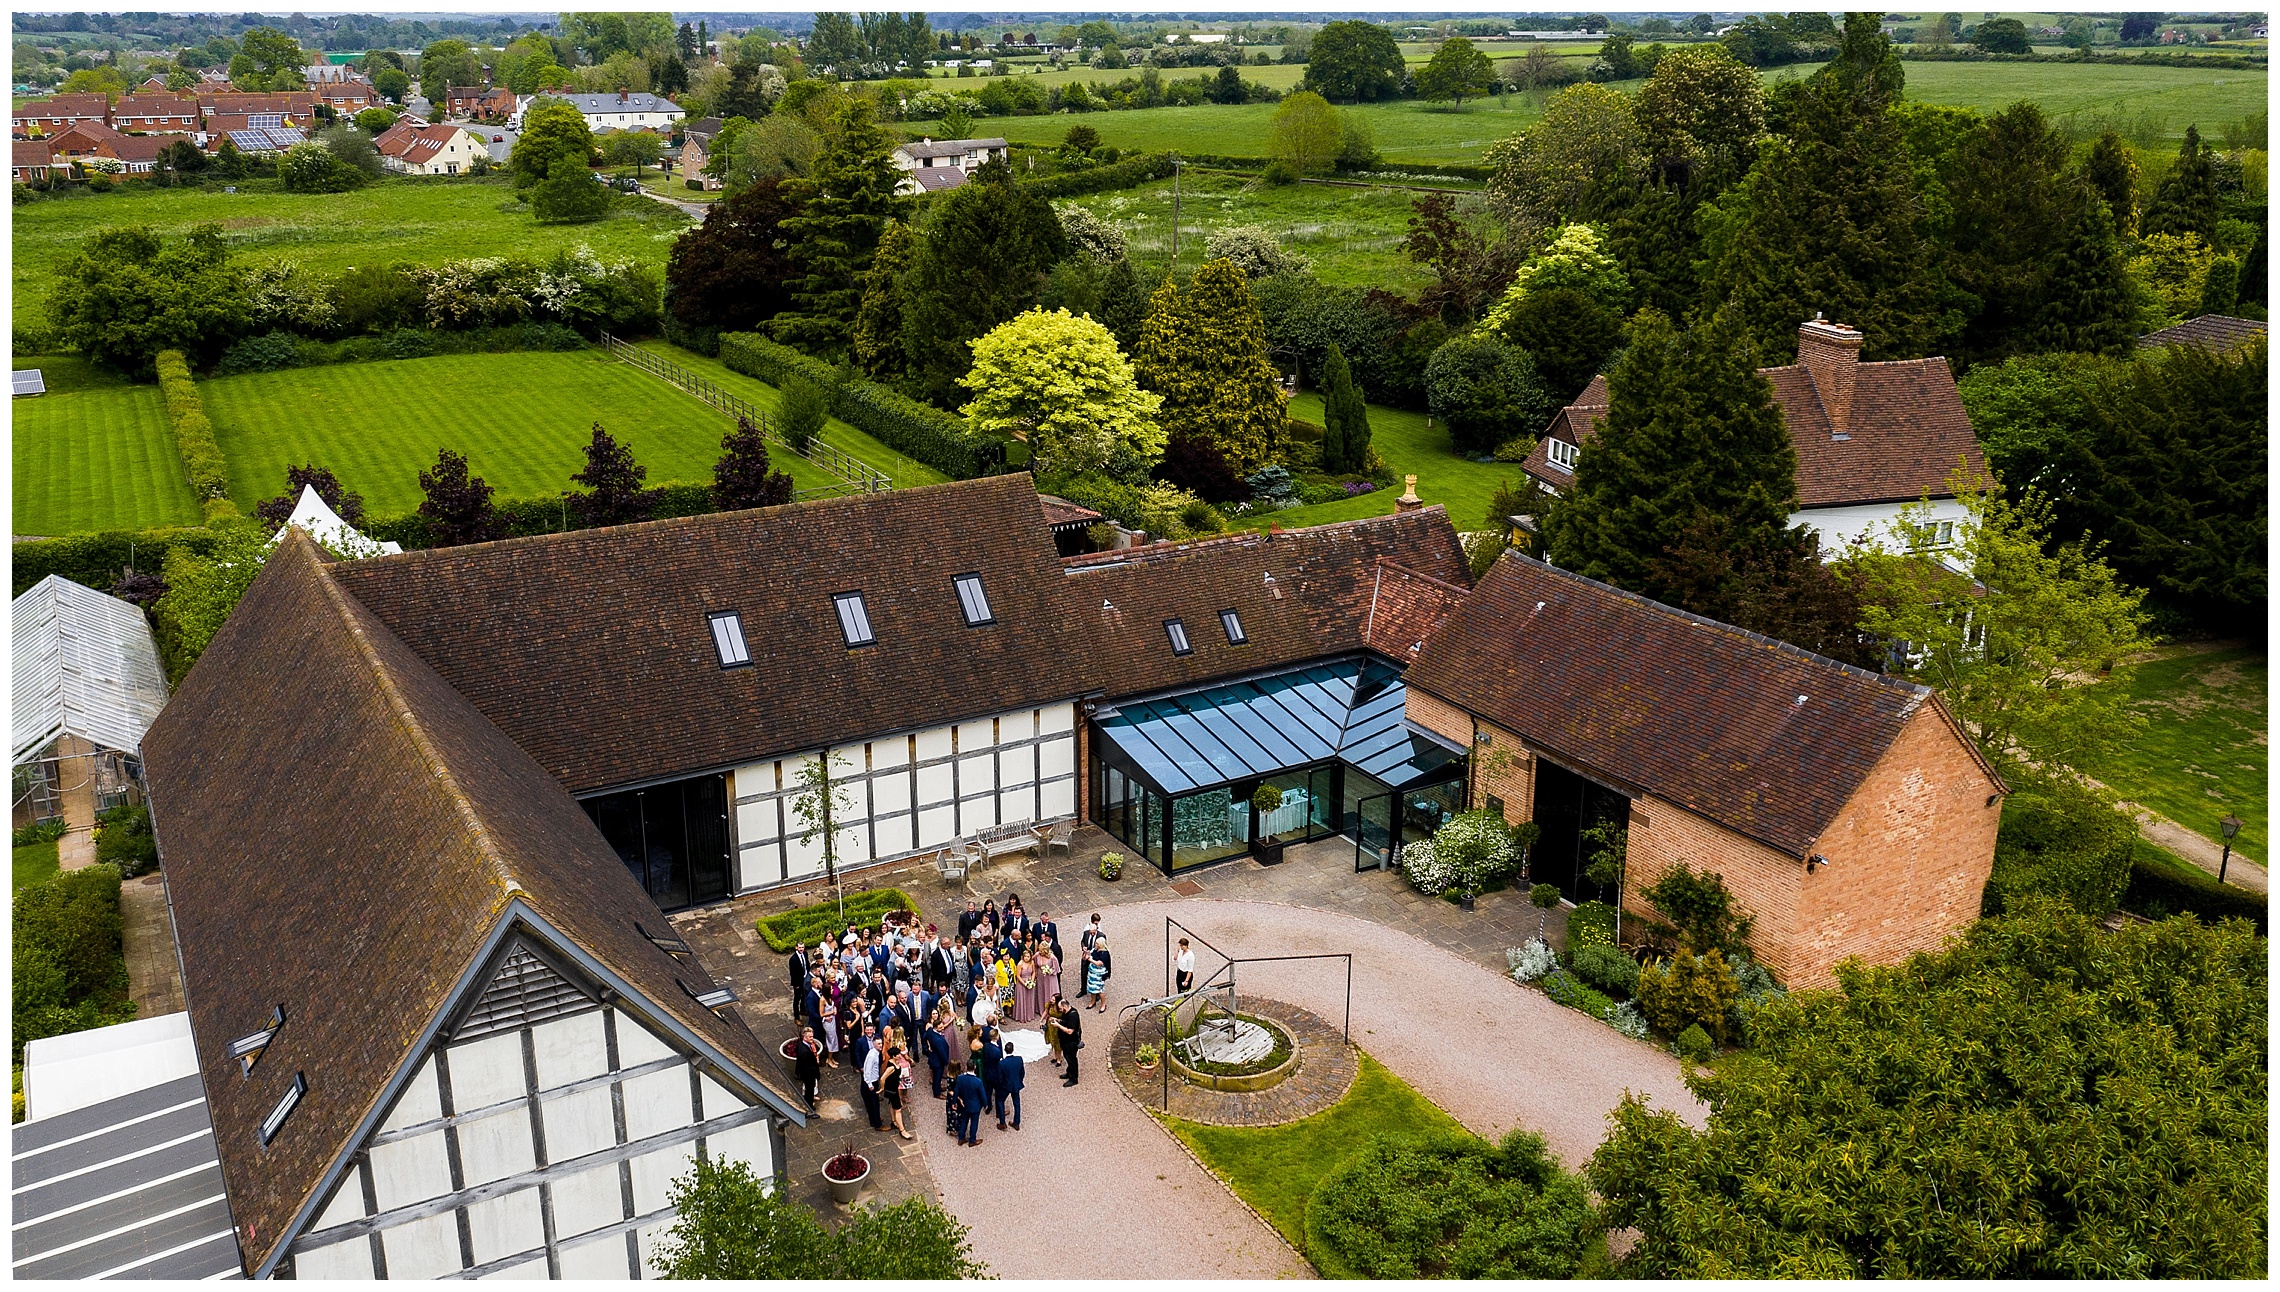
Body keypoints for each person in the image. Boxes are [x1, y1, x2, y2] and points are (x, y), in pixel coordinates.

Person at [880, 1044, 914, 1141]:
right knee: (898, 1109)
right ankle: (902, 1130)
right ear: (894, 1056)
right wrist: (882, 1088)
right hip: (892, 1090)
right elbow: (882, 1078)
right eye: (898, 1054)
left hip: (894, 1087)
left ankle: (894, 1121)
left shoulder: (897, 1063)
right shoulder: (891, 1067)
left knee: (892, 1105)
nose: (900, 1055)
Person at [952, 1064, 988, 1146]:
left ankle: (961, 1138)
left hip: (964, 1104)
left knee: (964, 1120)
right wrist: (985, 1104)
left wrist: (954, 1102)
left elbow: (956, 1091)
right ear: (975, 1067)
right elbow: (982, 1095)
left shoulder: (960, 1078)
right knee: (974, 1122)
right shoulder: (978, 1081)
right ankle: (972, 1140)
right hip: (975, 1106)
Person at [857, 1026, 885, 1131]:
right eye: (878, 1044)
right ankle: (877, 1124)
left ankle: (874, 1120)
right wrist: (870, 1084)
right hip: (871, 1082)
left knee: (872, 1103)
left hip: (873, 1080)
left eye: (881, 1043)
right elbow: (867, 1071)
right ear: (873, 1044)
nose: (881, 1045)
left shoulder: (875, 1053)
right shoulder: (872, 1055)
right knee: (874, 1103)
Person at [1053, 997, 1083, 1086]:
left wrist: (1058, 1025)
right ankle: (1069, 1073)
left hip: (1071, 1042)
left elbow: (1070, 1031)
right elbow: (1065, 1022)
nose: (1060, 1010)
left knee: (1072, 1059)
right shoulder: (1066, 1013)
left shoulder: (1073, 1015)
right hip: (1064, 1041)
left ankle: (1074, 1078)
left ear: (1065, 1007)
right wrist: (1058, 1020)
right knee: (1067, 1057)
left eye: (1060, 1008)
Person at [792, 1025, 822, 1110]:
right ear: (804, 1037)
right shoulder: (805, 1052)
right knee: (809, 1089)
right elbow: (808, 1066)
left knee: (810, 1089)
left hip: (805, 1072)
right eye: (810, 1037)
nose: (812, 1038)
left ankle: (810, 1098)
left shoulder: (801, 1045)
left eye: (812, 1036)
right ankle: (809, 1107)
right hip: (808, 1074)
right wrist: (815, 1072)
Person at [923, 1007, 951, 1097]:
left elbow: (924, 1036)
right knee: (937, 1076)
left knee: (937, 1076)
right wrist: (946, 1061)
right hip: (938, 1061)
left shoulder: (930, 1030)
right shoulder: (938, 1040)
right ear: (936, 1027)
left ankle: (938, 1087)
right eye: (941, 1027)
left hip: (933, 1057)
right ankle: (937, 1093)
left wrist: (929, 1046)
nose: (943, 1028)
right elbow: (942, 1052)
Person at [996, 1048, 1026, 1130]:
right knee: (1016, 1103)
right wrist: (1019, 1080)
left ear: (1005, 1050)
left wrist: (1000, 1085)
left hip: (1006, 1085)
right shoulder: (1019, 1059)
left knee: (1000, 1100)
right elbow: (1022, 1073)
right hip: (1016, 1084)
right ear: (1012, 1050)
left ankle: (1002, 1122)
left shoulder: (1002, 1063)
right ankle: (1016, 1122)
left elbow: (1000, 1077)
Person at [1086, 934, 1112, 1011]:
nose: (1095, 944)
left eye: (1097, 943)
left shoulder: (1105, 953)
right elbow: (1090, 953)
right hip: (1092, 973)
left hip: (1099, 975)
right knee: (1092, 988)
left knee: (1100, 990)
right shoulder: (1095, 949)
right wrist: (1086, 953)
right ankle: (1092, 1001)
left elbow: (1099, 963)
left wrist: (1089, 959)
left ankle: (1103, 1004)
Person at [1013, 951, 1039, 1023]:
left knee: (1029, 999)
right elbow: (1018, 976)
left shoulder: (1032, 962)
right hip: (1022, 983)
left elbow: (1033, 972)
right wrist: (1025, 984)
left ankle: (1029, 1015)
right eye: (1025, 956)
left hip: (1029, 981)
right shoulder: (1020, 964)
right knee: (1022, 999)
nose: (1026, 958)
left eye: (1028, 956)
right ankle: (1021, 1015)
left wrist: (1032, 980)